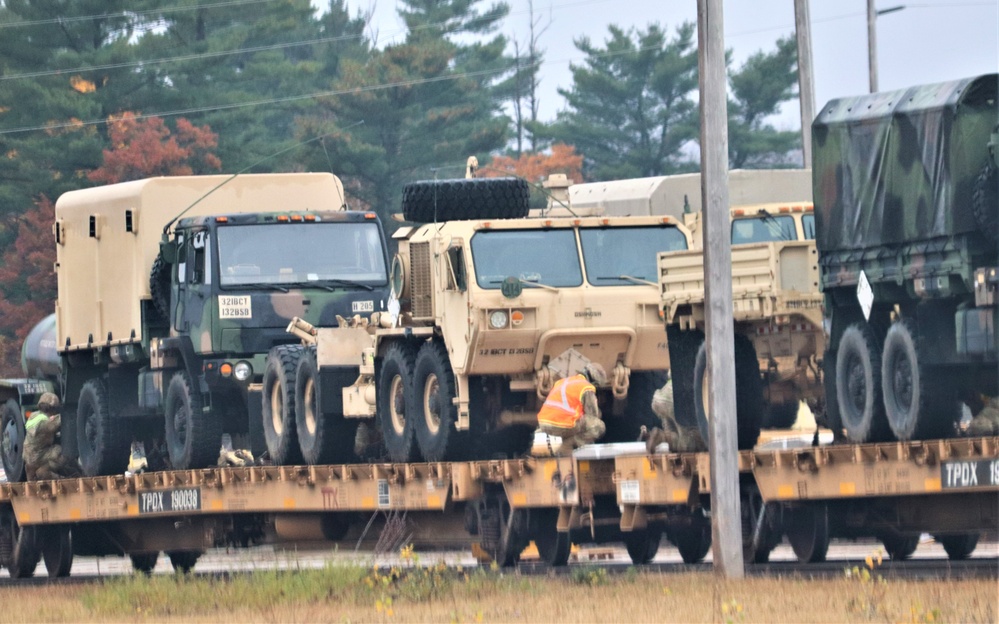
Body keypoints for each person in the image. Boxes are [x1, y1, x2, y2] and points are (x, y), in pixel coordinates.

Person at [537, 363, 607, 453]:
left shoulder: (562, 382)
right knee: (598, 426)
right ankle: (566, 446)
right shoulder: (586, 387)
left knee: (577, 422)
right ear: (593, 380)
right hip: (562, 424)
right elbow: (593, 414)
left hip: (544, 424)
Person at [23, 392, 80, 481]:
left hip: (29, 458)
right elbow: (64, 418)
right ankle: (66, 478)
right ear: (52, 408)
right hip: (40, 456)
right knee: (62, 452)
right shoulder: (45, 422)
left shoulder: (34, 416)